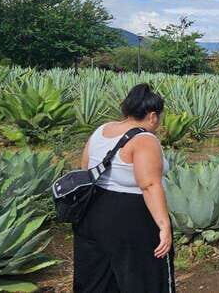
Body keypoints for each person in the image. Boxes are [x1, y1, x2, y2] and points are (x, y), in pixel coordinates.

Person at [74, 83, 174, 292]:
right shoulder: (144, 139)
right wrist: (164, 226)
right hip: (132, 217)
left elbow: (84, 168)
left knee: (97, 278)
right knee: (143, 276)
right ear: (153, 116)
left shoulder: (102, 130)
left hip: (92, 211)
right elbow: (149, 185)